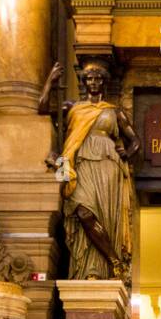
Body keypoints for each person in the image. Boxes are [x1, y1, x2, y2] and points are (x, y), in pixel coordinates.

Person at [39, 60, 139, 283]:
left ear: (104, 82)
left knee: (104, 216)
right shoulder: (72, 107)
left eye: (98, 79)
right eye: (89, 79)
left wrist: (127, 152)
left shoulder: (114, 112)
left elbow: (135, 141)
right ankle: (114, 260)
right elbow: (42, 109)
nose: (94, 82)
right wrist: (50, 82)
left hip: (108, 165)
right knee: (83, 212)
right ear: (84, 83)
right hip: (78, 162)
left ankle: (100, 269)